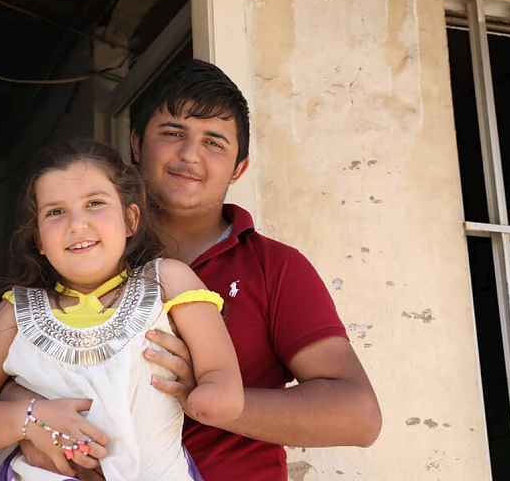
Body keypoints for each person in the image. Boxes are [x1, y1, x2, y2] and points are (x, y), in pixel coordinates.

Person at [131, 59, 383, 480]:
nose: (190, 155)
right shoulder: (90, 255)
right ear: (138, 143)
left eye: (214, 142)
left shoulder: (274, 267)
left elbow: (359, 415)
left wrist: (216, 397)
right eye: (173, 133)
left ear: (239, 169)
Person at [0, 138, 244, 480]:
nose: (77, 224)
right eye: (55, 212)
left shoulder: (167, 281)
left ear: (130, 220)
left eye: (94, 203)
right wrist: (32, 419)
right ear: (38, 240)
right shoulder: (14, 314)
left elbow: (221, 376)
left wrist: (208, 397)